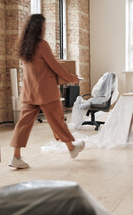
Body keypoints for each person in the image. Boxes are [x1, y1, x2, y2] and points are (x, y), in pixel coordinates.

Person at [9, 14, 85, 169]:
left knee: (23, 125)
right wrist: (72, 78)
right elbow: (55, 66)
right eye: (44, 26)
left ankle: (15, 157)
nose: (45, 28)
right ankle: (72, 148)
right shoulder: (41, 44)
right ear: (39, 27)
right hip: (45, 91)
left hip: (29, 92)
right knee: (57, 120)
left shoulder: (24, 46)